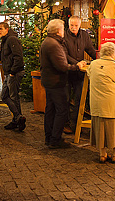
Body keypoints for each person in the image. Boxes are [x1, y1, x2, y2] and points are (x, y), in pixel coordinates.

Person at [39, 19, 84, 149]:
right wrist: (77, 66)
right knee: (61, 110)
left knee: (51, 110)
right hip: (56, 82)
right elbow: (62, 66)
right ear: (59, 31)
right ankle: (55, 139)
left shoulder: (49, 42)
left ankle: (50, 137)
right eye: (63, 29)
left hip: (50, 81)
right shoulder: (54, 44)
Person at [88, 42, 115, 164]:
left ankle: (102, 154)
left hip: (97, 105)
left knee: (100, 129)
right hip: (113, 105)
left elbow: (89, 74)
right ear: (114, 53)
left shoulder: (94, 64)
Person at [64, 17, 97, 124]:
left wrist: (100, 60)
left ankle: (76, 123)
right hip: (67, 71)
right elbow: (65, 55)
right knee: (66, 99)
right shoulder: (64, 36)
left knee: (79, 99)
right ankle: (66, 123)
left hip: (80, 73)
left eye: (76, 25)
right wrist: (76, 63)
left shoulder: (84, 35)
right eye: (71, 25)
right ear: (68, 25)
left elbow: (90, 50)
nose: (73, 28)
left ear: (80, 25)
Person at [0, 23, 26, 132]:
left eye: (1, 29)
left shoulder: (12, 39)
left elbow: (19, 57)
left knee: (13, 96)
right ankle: (18, 117)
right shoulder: (5, 40)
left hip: (14, 73)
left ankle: (17, 120)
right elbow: (2, 58)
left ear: (7, 29)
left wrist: (13, 72)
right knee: (4, 95)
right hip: (9, 72)